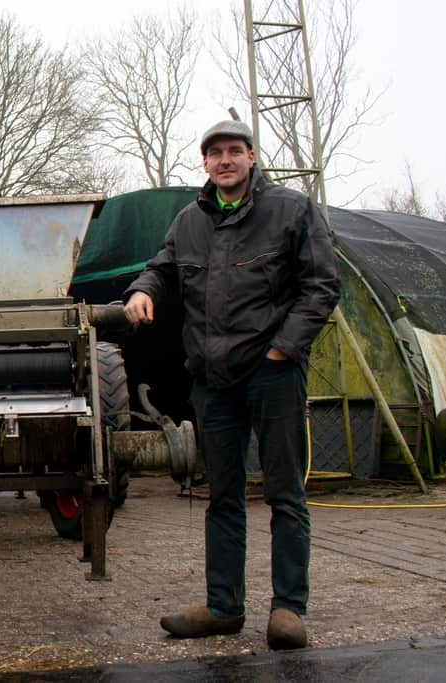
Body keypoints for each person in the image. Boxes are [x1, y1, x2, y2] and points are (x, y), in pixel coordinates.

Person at [123, 120, 340, 650]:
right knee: (223, 495)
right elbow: (161, 267)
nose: (225, 160)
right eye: (215, 153)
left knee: (285, 493)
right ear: (205, 163)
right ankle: (224, 607)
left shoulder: (290, 210)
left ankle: (288, 610)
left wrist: (282, 348)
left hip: (272, 374)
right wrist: (142, 289)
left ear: (250, 157)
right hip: (213, 381)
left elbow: (321, 285)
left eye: (234, 151)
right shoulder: (190, 220)